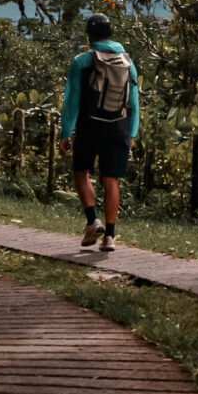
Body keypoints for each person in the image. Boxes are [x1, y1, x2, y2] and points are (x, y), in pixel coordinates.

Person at [59, 13, 139, 252]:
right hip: (119, 126)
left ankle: (93, 220)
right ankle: (110, 237)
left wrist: (66, 132)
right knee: (111, 179)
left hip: (90, 125)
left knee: (81, 171)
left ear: (89, 35)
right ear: (110, 32)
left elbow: (72, 99)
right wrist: (132, 132)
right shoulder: (127, 62)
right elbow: (134, 100)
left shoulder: (82, 61)